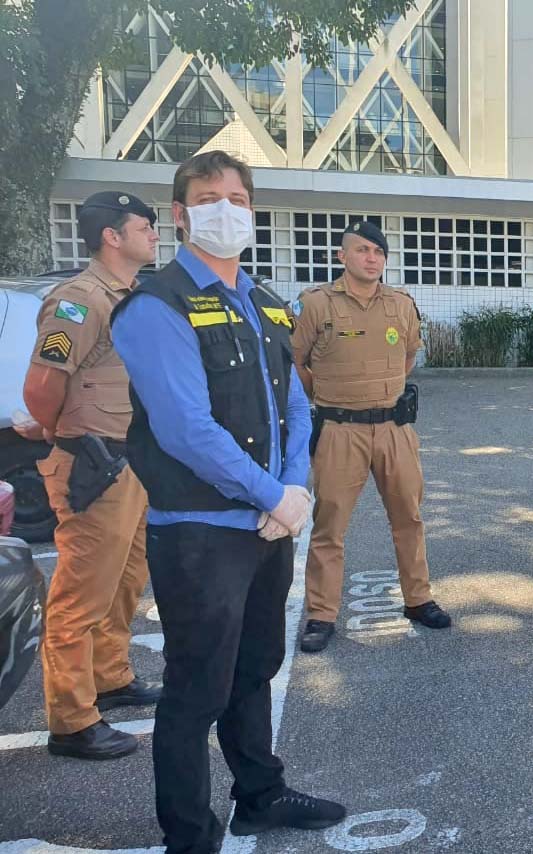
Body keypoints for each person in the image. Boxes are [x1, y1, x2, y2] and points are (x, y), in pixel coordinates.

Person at [111, 150, 345, 852]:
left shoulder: (265, 301)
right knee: (195, 691)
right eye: (208, 197)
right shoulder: (156, 307)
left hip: (268, 525)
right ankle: (190, 835)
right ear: (179, 215)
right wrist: (274, 493)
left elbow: (297, 405)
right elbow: (185, 429)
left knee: (255, 669)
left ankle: (261, 795)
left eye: (238, 198)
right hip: (201, 532)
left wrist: (294, 489)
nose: (226, 209)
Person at [22, 191, 161, 760]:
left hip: (130, 460)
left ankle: (111, 676)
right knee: (81, 591)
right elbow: (40, 387)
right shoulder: (79, 301)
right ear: (112, 235)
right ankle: (73, 720)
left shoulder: (130, 296)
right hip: (93, 465)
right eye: (145, 226)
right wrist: (66, 439)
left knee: (126, 578)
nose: (154, 234)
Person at [293, 220, 450, 653]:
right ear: (342, 256)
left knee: (408, 517)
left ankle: (418, 599)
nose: (371, 258)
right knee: (329, 526)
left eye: (378, 252)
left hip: (395, 429)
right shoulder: (315, 305)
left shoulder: (400, 304)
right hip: (340, 430)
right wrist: (330, 396)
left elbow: (409, 353)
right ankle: (322, 615)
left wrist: (384, 394)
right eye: (362, 250)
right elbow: (295, 361)